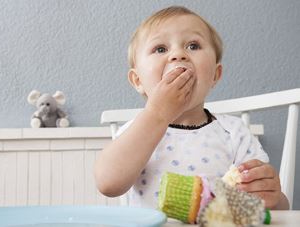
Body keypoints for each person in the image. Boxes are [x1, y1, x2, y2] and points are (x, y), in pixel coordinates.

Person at [95, 6, 289, 210]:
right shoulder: (137, 132)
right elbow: (108, 183)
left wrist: (274, 199)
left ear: (215, 74)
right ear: (138, 80)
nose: (178, 55)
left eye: (193, 46)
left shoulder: (234, 132)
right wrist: (157, 113)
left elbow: (274, 208)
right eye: (160, 49)